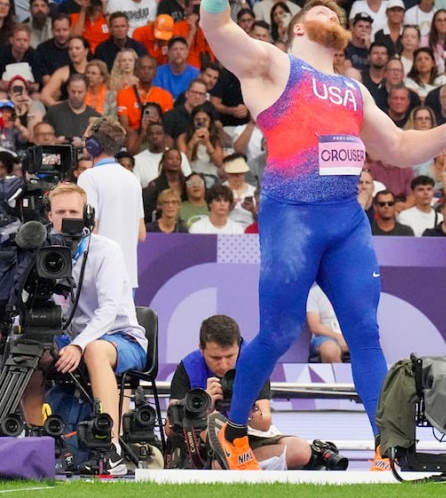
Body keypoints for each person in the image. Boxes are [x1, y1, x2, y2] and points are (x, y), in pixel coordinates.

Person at [199, 0, 446, 471]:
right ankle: (234, 430)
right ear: (299, 27)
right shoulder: (273, 65)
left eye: (336, 9)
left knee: (366, 333)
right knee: (277, 334)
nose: (332, 10)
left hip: (347, 222)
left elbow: (396, 145)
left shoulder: (352, 90)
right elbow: (215, 26)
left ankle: (386, 447)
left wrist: (444, 134)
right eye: (320, 8)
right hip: (292, 219)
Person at [21, 183, 147, 477]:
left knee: (94, 350)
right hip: (72, 339)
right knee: (31, 353)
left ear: (87, 214)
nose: (67, 218)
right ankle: (38, 443)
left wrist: (78, 344)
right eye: (61, 212)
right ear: (49, 216)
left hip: (121, 338)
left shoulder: (107, 250)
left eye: (74, 212)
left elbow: (108, 309)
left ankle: (110, 447)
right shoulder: (46, 252)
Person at [168, 314, 312, 468]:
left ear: (239, 345)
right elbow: (169, 429)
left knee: (300, 450)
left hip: (246, 438)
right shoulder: (188, 367)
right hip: (202, 444)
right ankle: (230, 463)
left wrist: (246, 407)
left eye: (230, 356)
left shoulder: (253, 362)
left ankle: (229, 464)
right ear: (201, 349)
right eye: (215, 358)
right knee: (212, 424)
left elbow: (264, 423)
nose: (223, 365)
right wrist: (200, 408)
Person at [77, 116, 146, 290]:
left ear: (93, 145)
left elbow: (90, 229)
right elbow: (141, 234)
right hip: (128, 277)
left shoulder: (89, 177)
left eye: (86, 139)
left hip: (98, 276)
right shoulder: (133, 179)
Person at [43, 73, 100, 148]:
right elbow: (41, 138)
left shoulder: (95, 117)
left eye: (80, 92)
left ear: (86, 91)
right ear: (68, 90)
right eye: (73, 91)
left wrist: (83, 144)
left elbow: (100, 145)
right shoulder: (54, 112)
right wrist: (55, 141)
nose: (76, 95)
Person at [135, 121, 191, 188]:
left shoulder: (179, 156)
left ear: (165, 136)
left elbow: (188, 180)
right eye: (151, 134)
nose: (154, 136)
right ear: (147, 137)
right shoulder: (137, 160)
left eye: (159, 133)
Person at [306, 285, 349, 363]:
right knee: (330, 349)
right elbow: (315, 326)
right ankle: (340, 375)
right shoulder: (314, 292)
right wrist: (339, 338)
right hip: (325, 337)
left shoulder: (351, 292)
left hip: (349, 335)